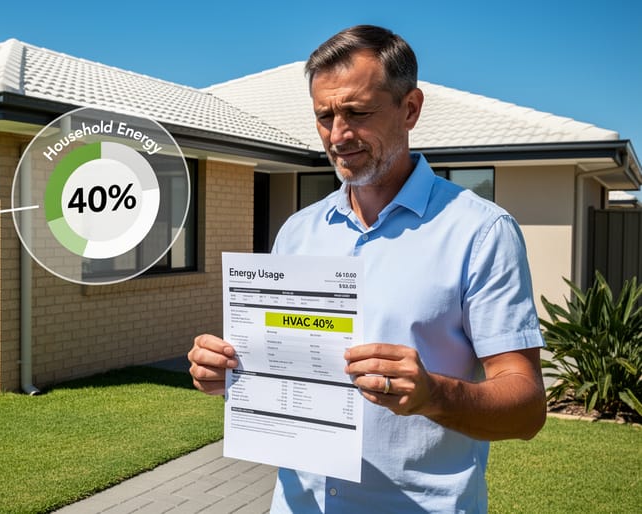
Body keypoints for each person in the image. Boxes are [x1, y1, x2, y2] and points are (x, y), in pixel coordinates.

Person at [188, 25, 547, 513]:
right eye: (324, 116)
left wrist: (432, 393)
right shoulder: (297, 232)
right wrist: (228, 373)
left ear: (410, 109)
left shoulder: (481, 232)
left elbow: (526, 408)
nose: (338, 135)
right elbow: (279, 369)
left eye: (357, 113)